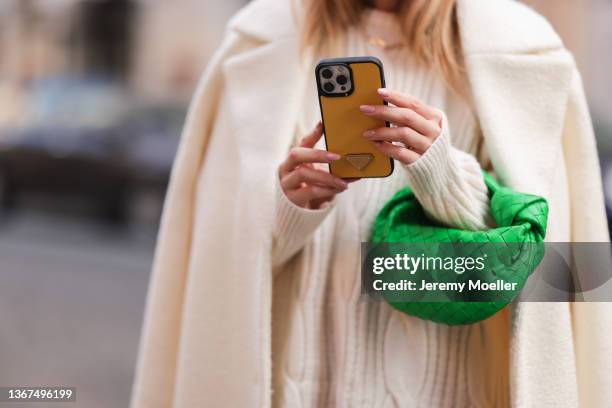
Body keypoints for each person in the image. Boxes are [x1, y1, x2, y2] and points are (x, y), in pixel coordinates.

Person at [131, 0, 612, 407]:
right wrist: (290, 209)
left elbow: (560, 272)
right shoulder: (262, 43)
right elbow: (216, 271)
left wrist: (443, 174)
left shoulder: (524, 54)